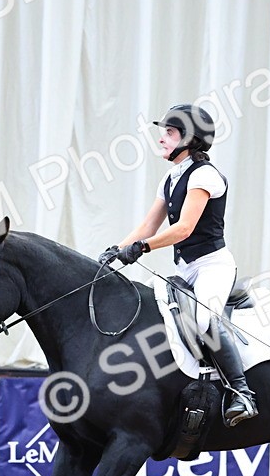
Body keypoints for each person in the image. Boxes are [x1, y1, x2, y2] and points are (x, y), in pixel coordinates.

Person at [98, 104, 258, 427]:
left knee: (202, 321)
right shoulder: (171, 178)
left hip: (213, 266)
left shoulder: (205, 176)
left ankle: (242, 393)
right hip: (186, 269)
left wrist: (141, 248)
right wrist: (117, 251)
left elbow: (183, 228)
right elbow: (148, 225)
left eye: (169, 134)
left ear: (190, 140)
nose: (161, 140)